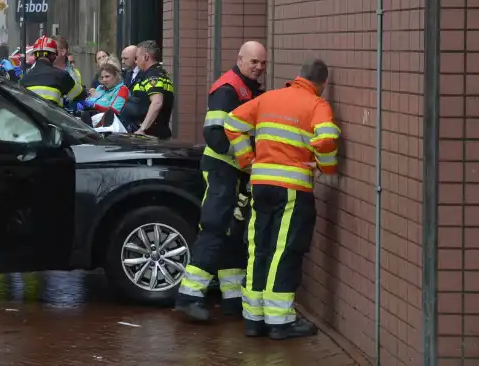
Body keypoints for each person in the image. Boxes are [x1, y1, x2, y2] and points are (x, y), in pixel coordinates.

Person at [224, 58, 340, 340]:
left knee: (259, 247)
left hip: (261, 184)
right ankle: (279, 322)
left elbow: (232, 122)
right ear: (321, 84)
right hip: (292, 188)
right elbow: (326, 139)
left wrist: (247, 159)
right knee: (284, 250)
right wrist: (326, 167)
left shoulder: (269, 98)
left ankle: (253, 319)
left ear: (298, 76)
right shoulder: (317, 104)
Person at [175, 41, 268, 322]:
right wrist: (247, 158)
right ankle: (188, 297)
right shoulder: (228, 89)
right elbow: (214, 137)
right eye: (254, 62)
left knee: (233, 233)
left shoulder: (248, 89)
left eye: (263, 63)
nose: (259, 68)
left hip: (236, 173)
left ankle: (233, 299)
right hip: (222, 170)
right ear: (240, 59)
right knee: (216, 227)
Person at [118, 40, 175, 138]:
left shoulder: (153, 75)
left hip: (149, 135)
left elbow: (157, 102)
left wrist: (142, 129)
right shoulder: (154, 74)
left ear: (146, 57)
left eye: (137, 58)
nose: (135, 61)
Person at [19, 36, 75, 106]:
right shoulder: (61, 75)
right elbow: (79, 95)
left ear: (35, 56)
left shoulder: (24, 78)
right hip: (54, 116)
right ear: (54, 55)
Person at [53, 36, 85, 105]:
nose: (49, 52)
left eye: (54, 49)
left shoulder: (74, 74)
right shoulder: (41, 68)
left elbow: (78, 97)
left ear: (63, 52)